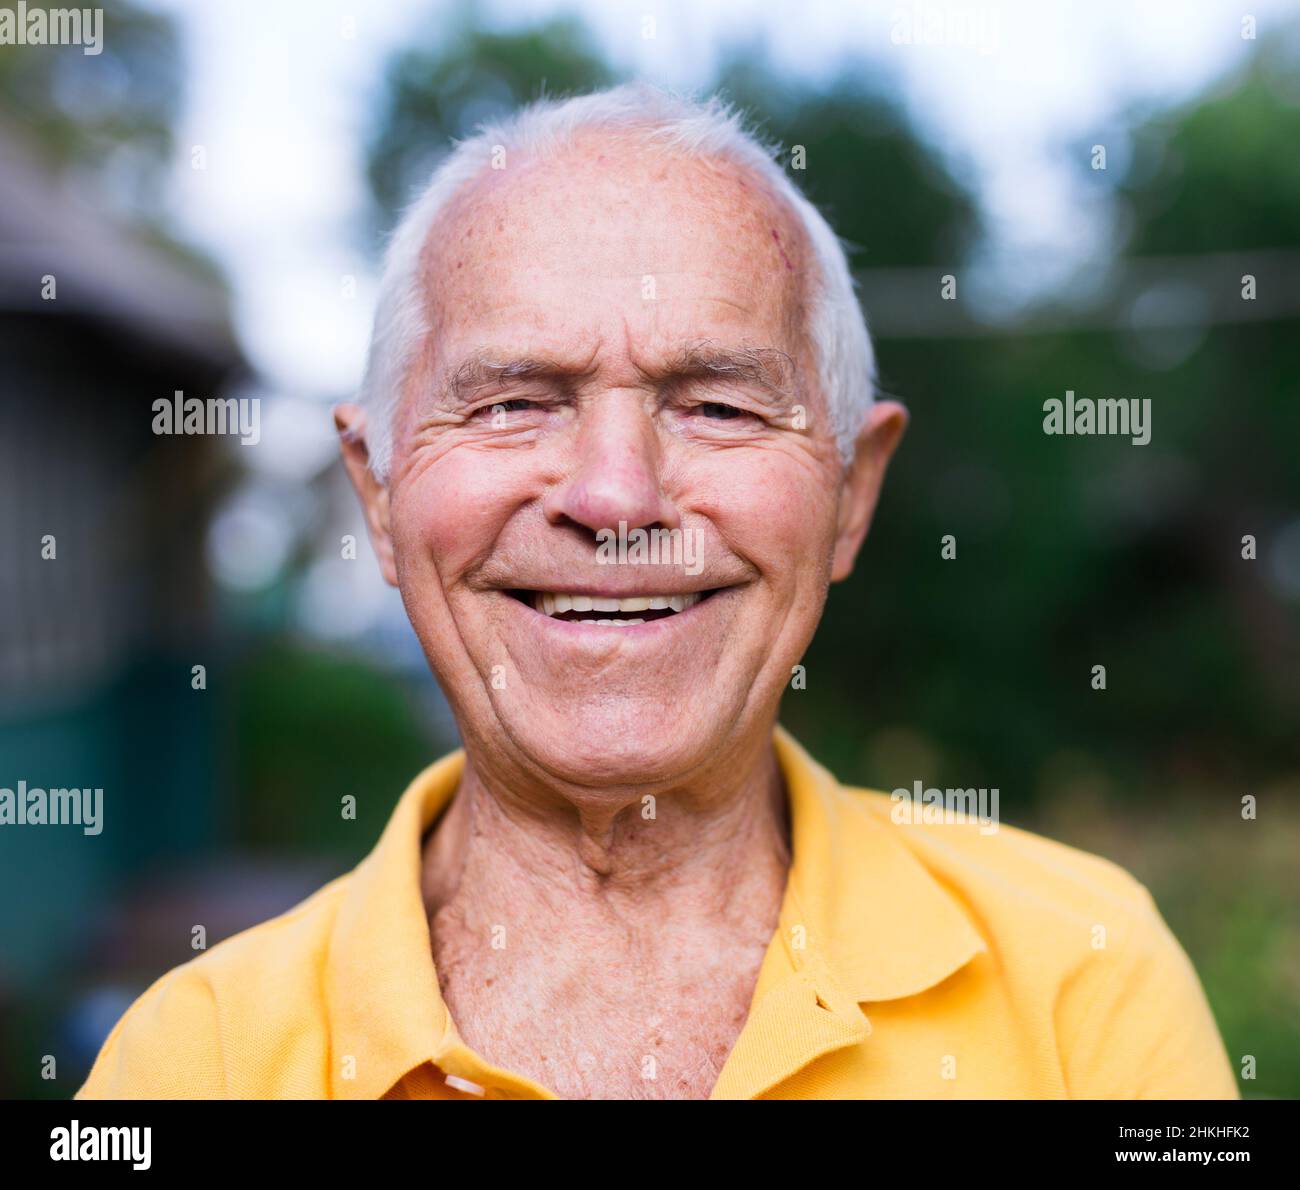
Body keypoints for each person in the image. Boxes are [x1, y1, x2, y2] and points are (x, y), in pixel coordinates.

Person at [78, 84, 1237, 1100]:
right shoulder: (192, 1064)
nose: (615, 495)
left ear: (850, 492)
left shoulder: (1083, 977)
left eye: (717, 405)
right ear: (378, 495)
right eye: (512, 401)